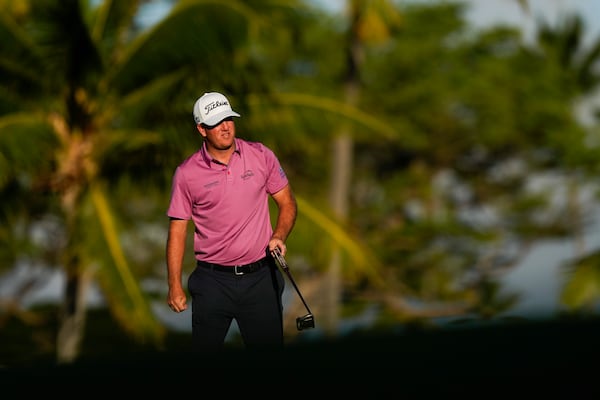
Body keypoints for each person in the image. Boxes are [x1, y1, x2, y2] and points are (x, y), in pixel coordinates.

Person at [165, 91, 297, 352]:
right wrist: (174, 285)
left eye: (229, 118)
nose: (225, 127)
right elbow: (177, 231)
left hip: (261, 279)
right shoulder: (187, 173)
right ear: (202, 129)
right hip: (212, 282)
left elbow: (287, 202)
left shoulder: (260, 155)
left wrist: (279, 235)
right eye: (216, 122)